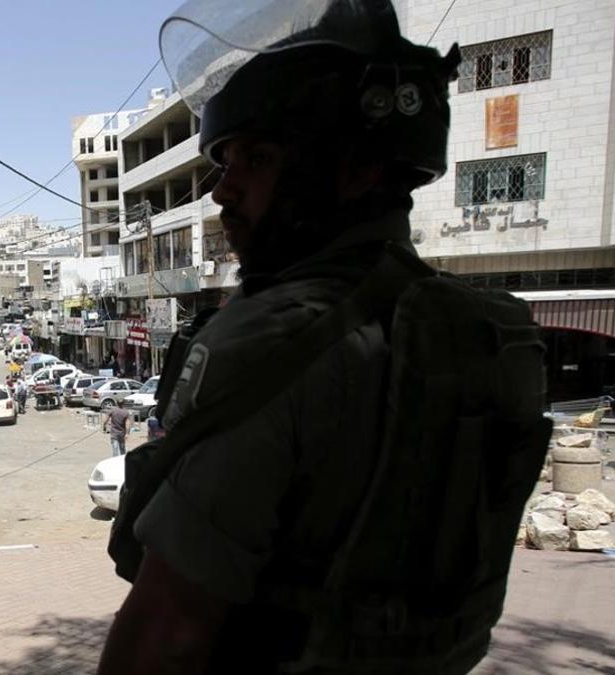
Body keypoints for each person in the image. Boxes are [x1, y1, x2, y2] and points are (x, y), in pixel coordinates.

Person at [98, 2, 490, 673]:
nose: (223, 191)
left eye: (257, 158)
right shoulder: (478, 330)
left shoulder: (273, 341)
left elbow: (165, 631)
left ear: (355, 167)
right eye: (225, 160)